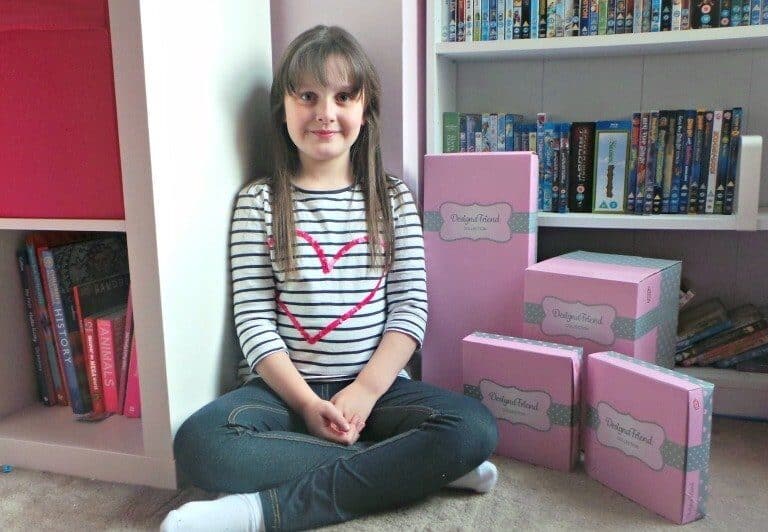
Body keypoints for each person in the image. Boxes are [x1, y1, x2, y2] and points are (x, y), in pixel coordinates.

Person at [161, 25, 498, 532]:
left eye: (343, 96)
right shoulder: (259, 202)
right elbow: (253, 320)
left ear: (365, 110)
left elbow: (409, 311)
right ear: (284, 109)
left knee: (473, 427)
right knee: (199, 445)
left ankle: (260, 513)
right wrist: (305, 402)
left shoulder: (392, 198)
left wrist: (364, 390)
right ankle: (414, 470)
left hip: (377, 393)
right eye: (308, 96)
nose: (326, 112)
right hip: (283, 395)